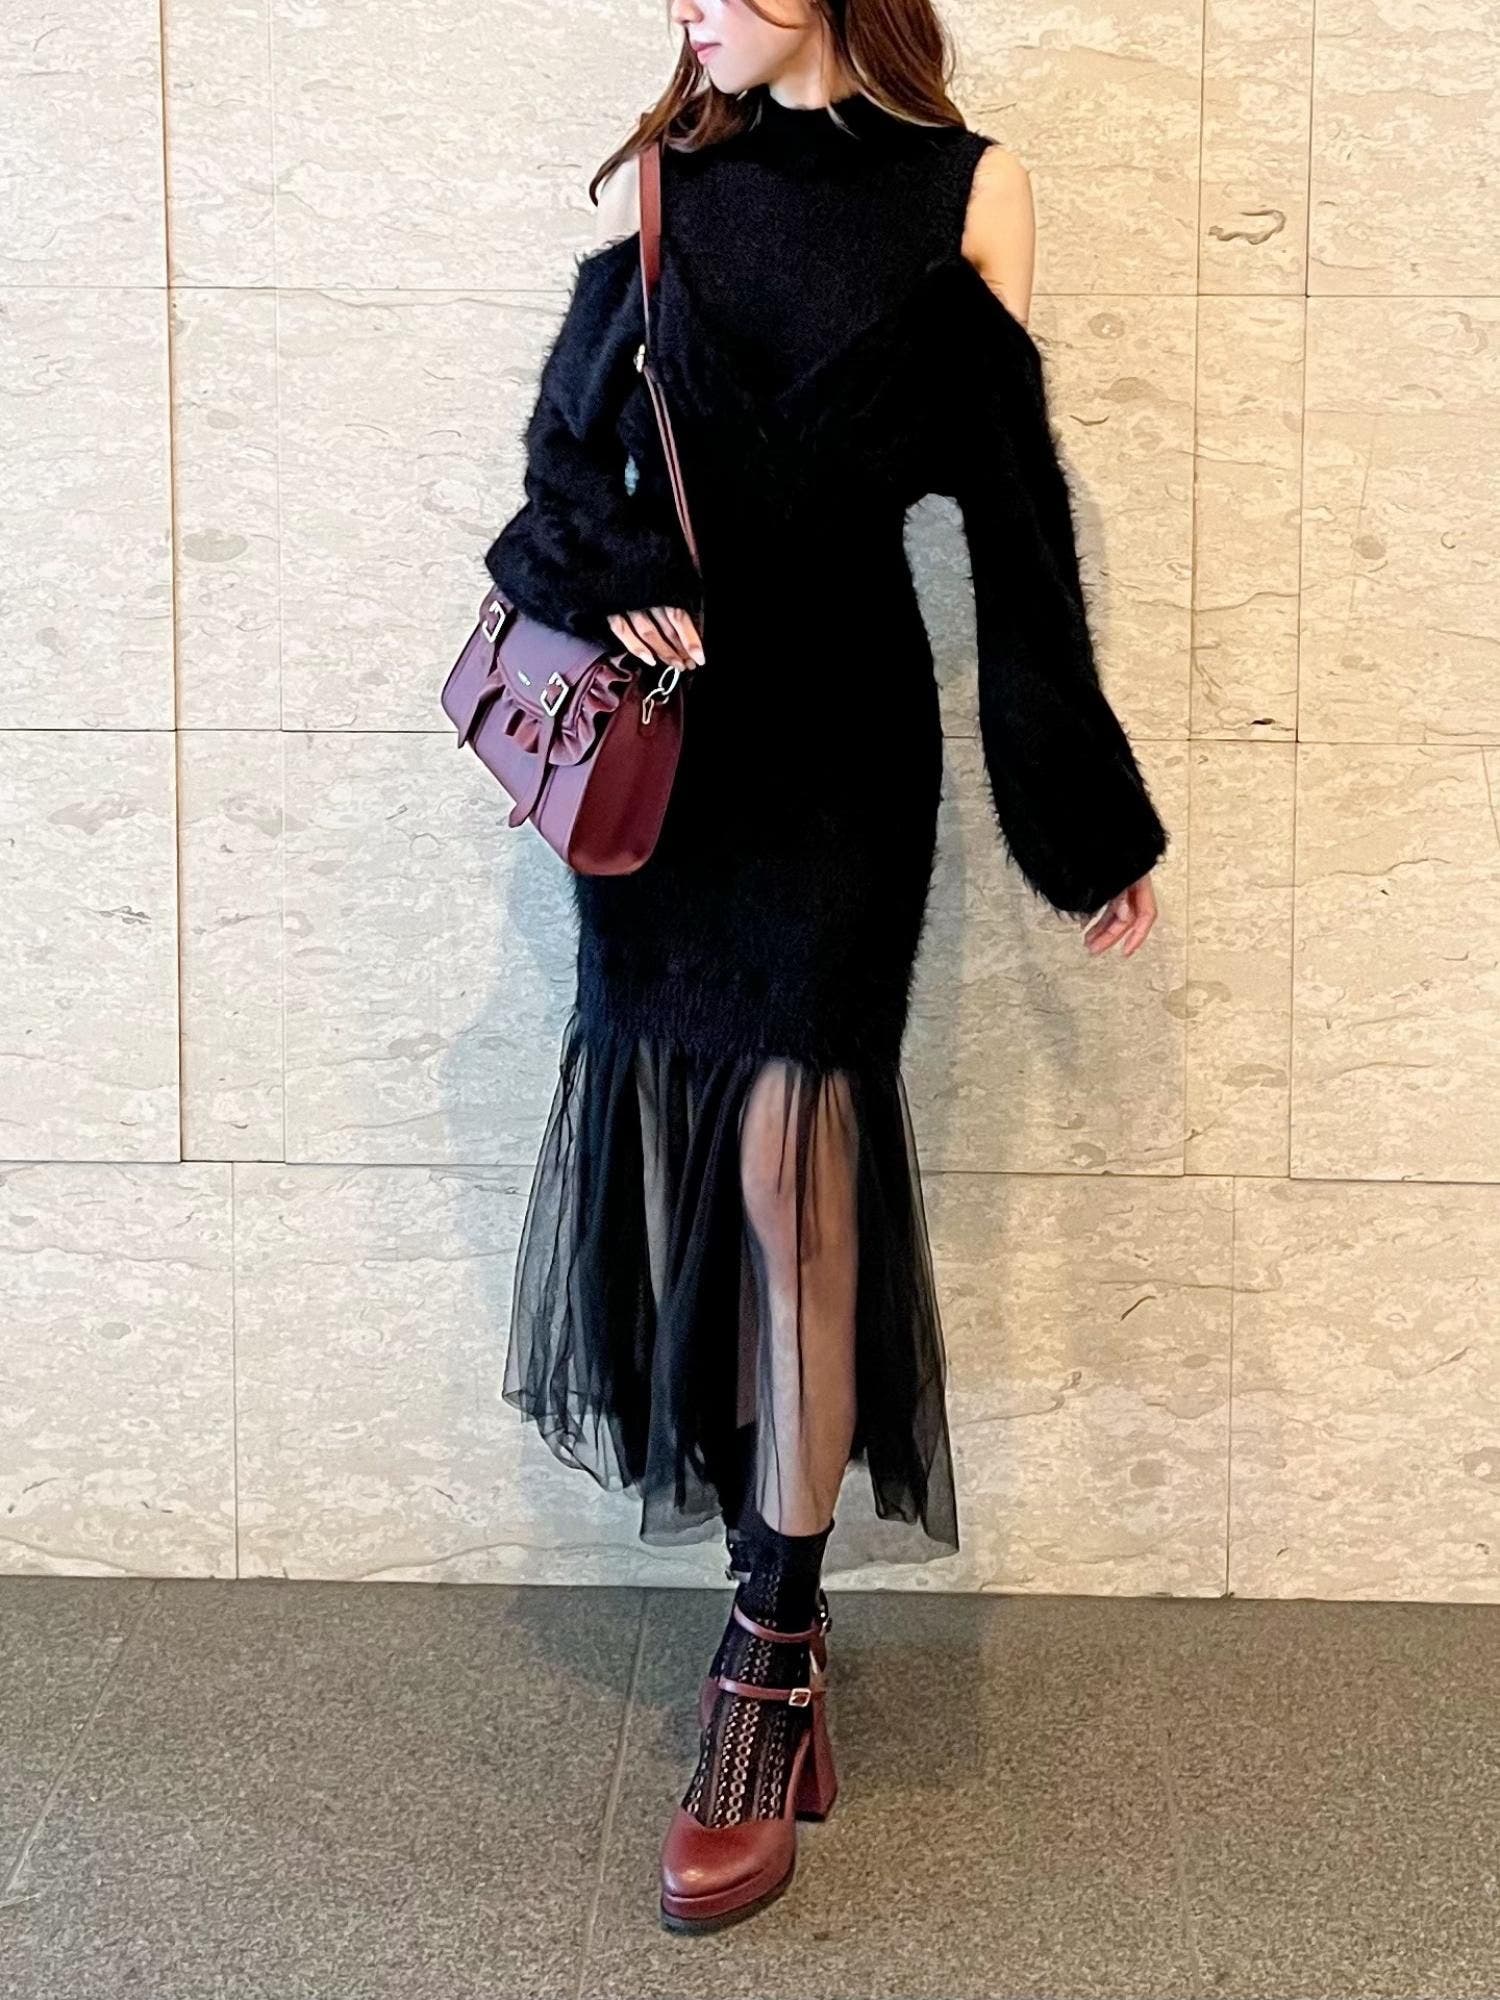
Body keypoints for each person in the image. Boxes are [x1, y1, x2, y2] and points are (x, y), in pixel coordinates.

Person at [482, 0, 1169, 1934]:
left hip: (846, 773)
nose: (684, 3)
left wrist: (1084, 822)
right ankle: (769, 1608)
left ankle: (765, 1668)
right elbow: (555, 486)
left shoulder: (970, 194)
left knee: (797, 1176)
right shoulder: (670, 193)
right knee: (707, 1179)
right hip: (676, 790)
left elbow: (1016, 523)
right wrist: (630, 568)